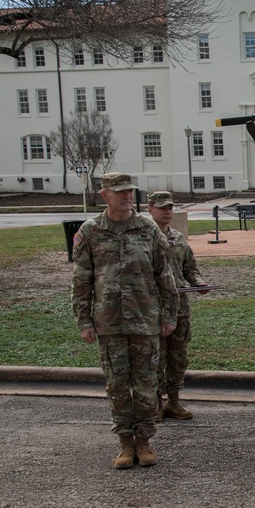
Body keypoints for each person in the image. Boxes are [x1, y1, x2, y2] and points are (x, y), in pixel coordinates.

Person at [72, 172, 178, 469]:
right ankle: (125, 444)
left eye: (129, 191)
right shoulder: (91, 231)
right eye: (119, 192)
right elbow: (82, 281)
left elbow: (165, 277)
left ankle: (144, 441)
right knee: (117, 386)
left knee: (146, 385)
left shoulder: (148, 229)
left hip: (146, 321)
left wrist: (169, 315)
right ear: (104, 194)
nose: (126, 196)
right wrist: (84, 321)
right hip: (109, 323)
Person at [147, 191, 209, 422]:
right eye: (162, 208)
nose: (167, 212)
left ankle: (173, 401)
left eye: (170, 208)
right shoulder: (144, 238)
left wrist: (199, 283)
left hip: (180, 307)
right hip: (154, 308)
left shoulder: (178, 238)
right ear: (150, 209)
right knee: (156, 357)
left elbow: (190, 268)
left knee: (178, 356)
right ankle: (156, 402)